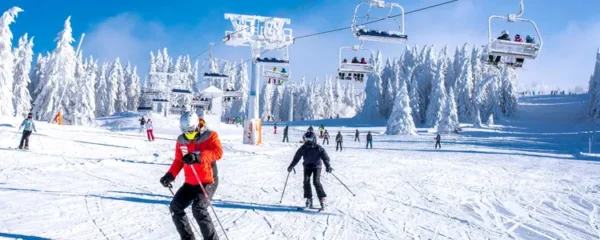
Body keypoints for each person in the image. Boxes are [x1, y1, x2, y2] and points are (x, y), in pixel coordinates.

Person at [159, 112, 223, 240]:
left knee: (198, 209)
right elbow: (178, 161)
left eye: (191, 131)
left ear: (197, 125)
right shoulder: (181, 140)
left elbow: (218, 152)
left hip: (207, 181)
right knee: (175, 207)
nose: (189, 134)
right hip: (190, 182)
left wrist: (198, 157)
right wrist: (170, 175)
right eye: (186, 131)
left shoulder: (210, 135)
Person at [287, 131, 333, 210]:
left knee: (316, 181)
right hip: (307, 166)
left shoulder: (318, 148)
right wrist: (291, 166)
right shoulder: (303, 148)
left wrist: (328, 166)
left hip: (316, 166)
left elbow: (325, 158)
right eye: (307, 139)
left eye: (310, 139)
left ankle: (322, 200)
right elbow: (296, 158)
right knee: (306, 181)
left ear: (314, 139)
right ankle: (309, 199)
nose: (308, 141)